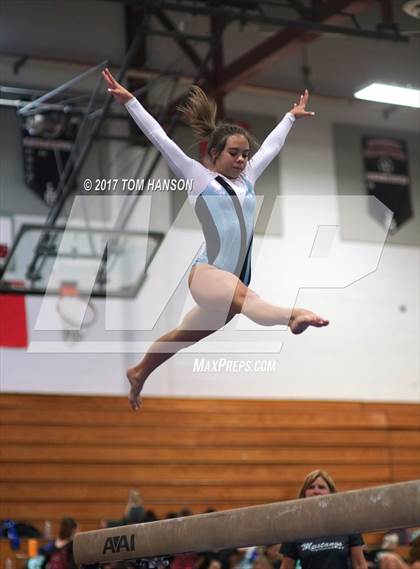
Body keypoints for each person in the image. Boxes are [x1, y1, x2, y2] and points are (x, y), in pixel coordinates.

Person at [102, 68, 329, 410]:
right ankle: (292, 315)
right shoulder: (198, 177)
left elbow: (271, 147)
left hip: (232, 279)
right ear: (214, 153)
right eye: (234, 153)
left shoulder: (249, 178)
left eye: (244, 154)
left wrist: (289, 118)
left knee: (180, 338)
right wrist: (132, 102)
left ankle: (139, 372)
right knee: (247, 297)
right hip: (207, 274)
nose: (241, 159)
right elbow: (159, 138)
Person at [280, 470, 368, 569]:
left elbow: (360, 565)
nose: (316, 491)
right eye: (311, 487)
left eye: (321, 487)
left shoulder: (347, 524)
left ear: (331, 493)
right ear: (304, 494)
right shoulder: (295, 529)